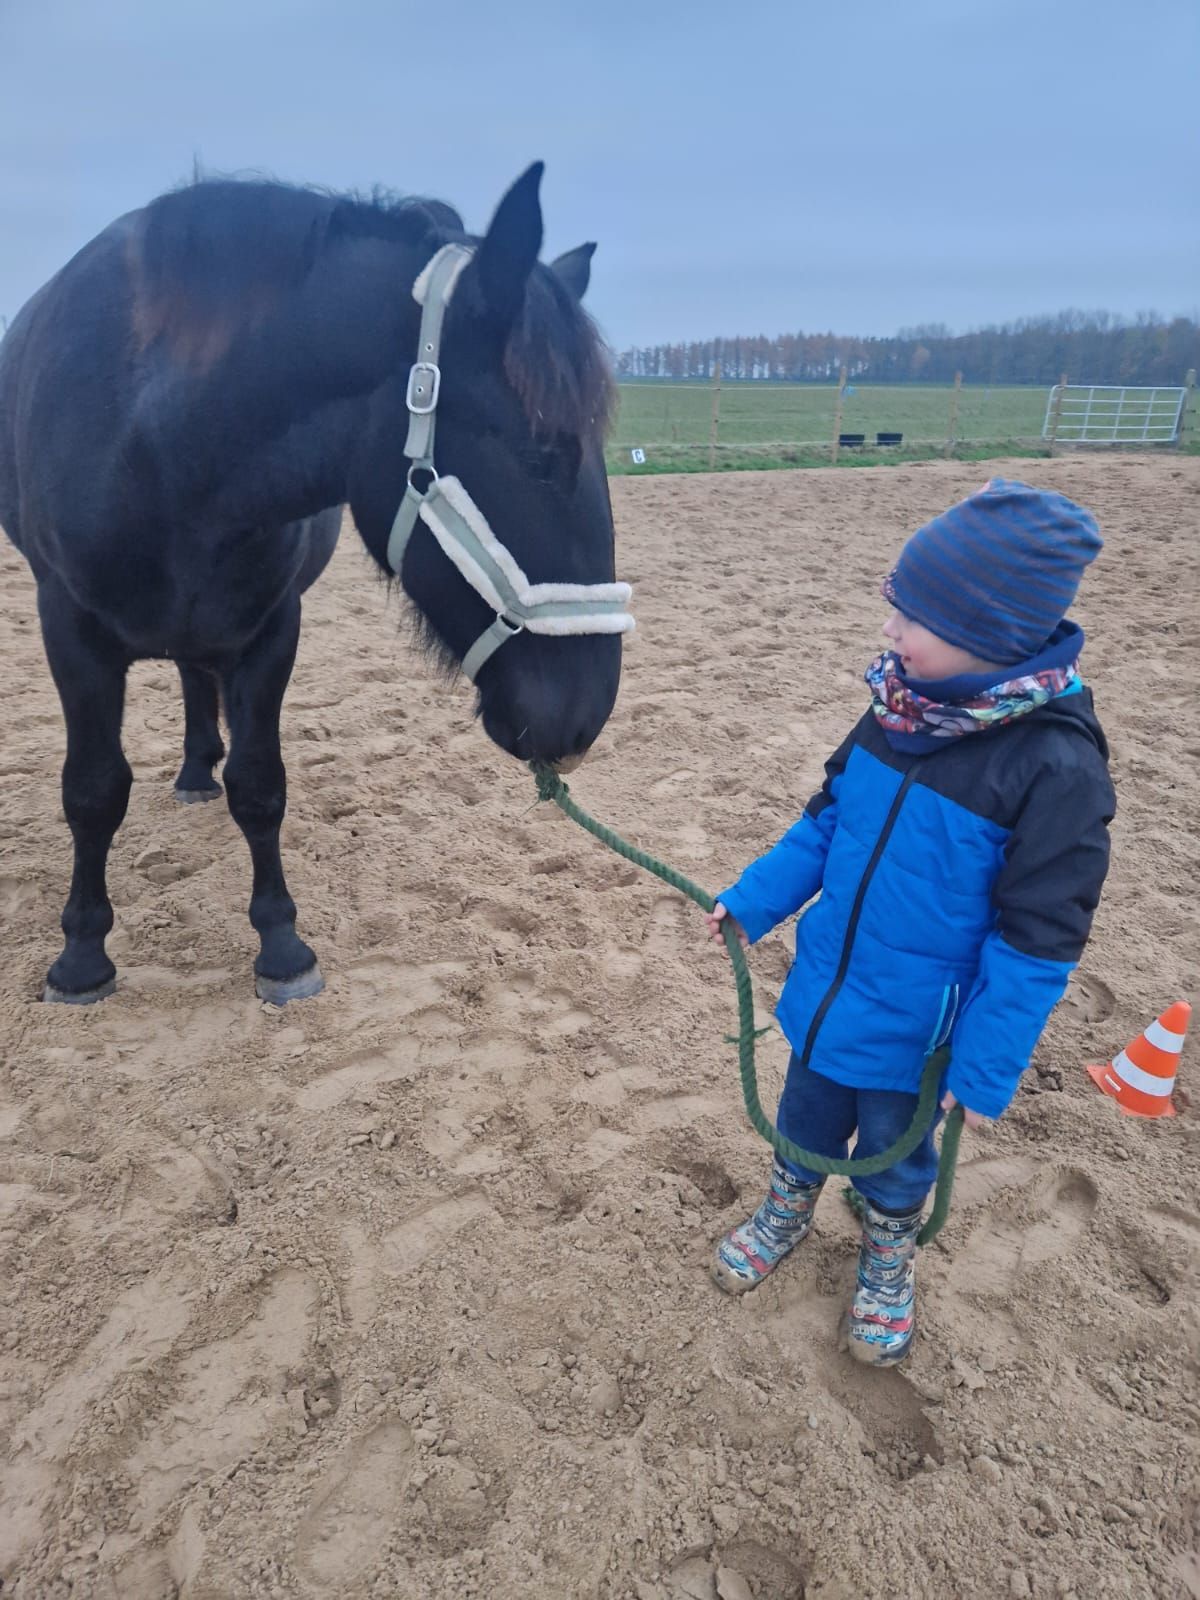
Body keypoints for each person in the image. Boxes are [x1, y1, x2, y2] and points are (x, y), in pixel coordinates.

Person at [706, 479, 1114, 1366]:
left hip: (920, 1032)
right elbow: (827, 821)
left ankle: (887, 1260)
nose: (889, 630)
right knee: (803, 1117)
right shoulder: (897, 706)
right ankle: (787, 1210)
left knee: (896, 1158)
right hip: (829, 993)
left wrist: (986, 1062)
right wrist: (755, 899)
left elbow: (1040, 940)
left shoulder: (1056, 769)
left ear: (987, 636)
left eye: (912, 616)